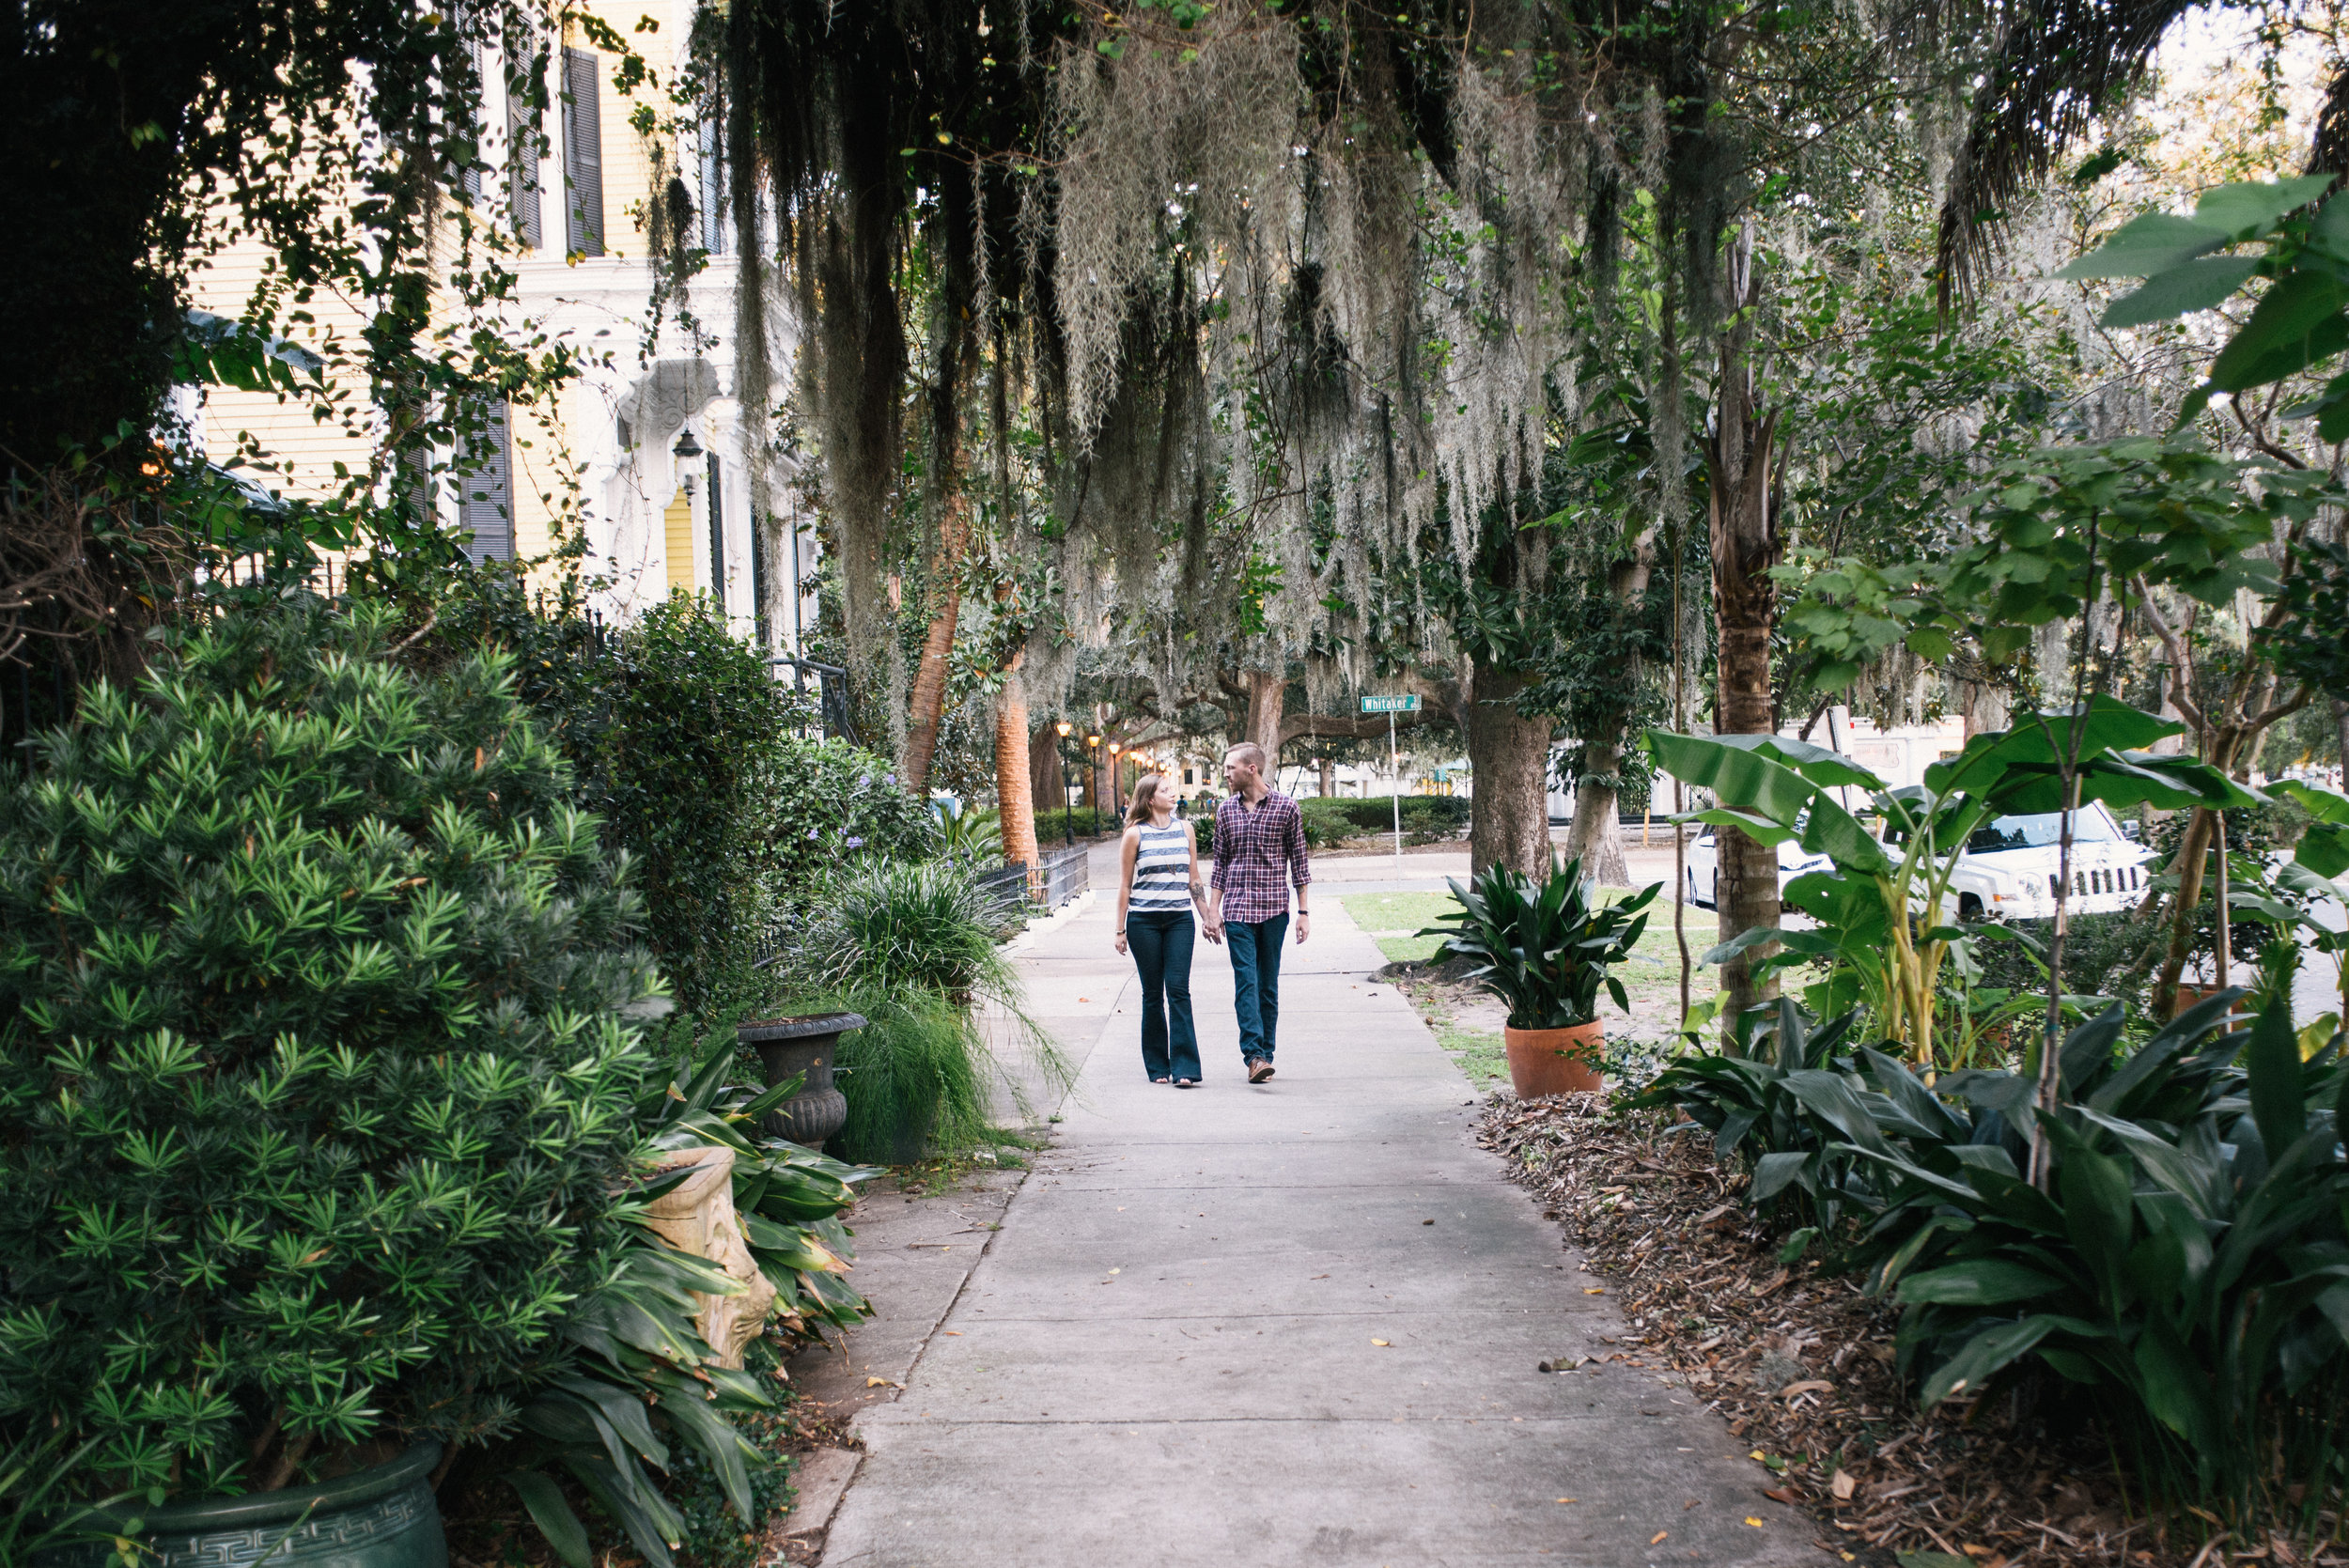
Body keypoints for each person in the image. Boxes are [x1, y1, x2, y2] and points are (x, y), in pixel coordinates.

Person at [1205, 741, 1310, 1083]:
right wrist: (1212, 912)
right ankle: (1254, 1056)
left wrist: (1303, 912)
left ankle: (1267, 1052)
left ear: (1252, 769)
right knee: (1245, 981)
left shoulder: (1286, 808)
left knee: (1267, 985)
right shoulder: (1225, 811)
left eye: (1230, 768)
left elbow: (1300, 864)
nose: (1225, 774)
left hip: (1274, 909)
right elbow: (1219, 864)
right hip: (1236, 910)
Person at [1112, 772, 1219, 1087]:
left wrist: (1207, 917)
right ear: (1150, 799)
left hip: (1179, 921)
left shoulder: (1185, 830)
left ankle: (1185, 1067)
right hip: (1143, 922)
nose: (1173, 794)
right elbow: (1124, 885)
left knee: (1178, 989)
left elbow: (1194, 879)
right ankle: (1158, 1066)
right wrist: (1119, 929)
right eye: (1165, 790)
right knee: (1152, 994)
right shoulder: (1134, 835)